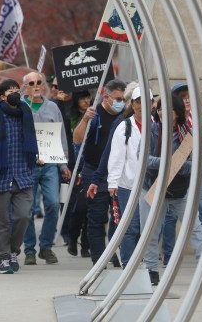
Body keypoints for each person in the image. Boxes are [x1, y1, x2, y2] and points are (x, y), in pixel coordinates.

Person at [140, 94, 202, 285]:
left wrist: (178, 164)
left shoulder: (188, 133)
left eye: (167, 109)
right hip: (153, 188)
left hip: (179, 190)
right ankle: (151, 271)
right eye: (159, 109)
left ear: (177, 112)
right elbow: (143, 159)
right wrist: (167, 162)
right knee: (150, 231)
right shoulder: (152, 131)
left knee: (195, 228)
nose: (161, 113)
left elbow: (197, 162)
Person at [0, 79, 38, 274]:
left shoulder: (26, 115)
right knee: (0, 222)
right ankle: (3, 258)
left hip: (23, 175)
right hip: (0, 177)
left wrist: (31, 166)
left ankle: (13, 250)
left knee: (23, 216)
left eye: (16, 90)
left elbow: (32, 143)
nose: (15, 93)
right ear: (3, 96)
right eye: (10, 91)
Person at [22, 72, 71, 266]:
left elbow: (61, 136)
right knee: (27, 209)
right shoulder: (21, 107)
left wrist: (63, 163)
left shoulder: (53, 107)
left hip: (50, 164)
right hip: (27, 165)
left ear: (44, 85)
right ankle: (29, 249)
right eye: (31, 83)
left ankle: (46, 247)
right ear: (25, 86)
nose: (35, 86)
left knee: (52, 204)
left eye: (39, 82)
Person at [78, 79, 127, 265]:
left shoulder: (124, 117)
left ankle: (113, 253)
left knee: (118, 218)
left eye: (123, 99)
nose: (121, 102)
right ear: (106, 98)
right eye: (118, 98)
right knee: (96, 217)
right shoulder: (94, 114)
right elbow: (77, 139)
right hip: (95, 174)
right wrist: (85, 119)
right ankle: (98, 259)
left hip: (118, 174)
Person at [106, 86, 150, 268]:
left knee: (147, 228)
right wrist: (112, 183)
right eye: (138, 102)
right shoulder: (125, 127)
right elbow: (116, 157)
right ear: (132, 104)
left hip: (150, 186)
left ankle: (145, 264)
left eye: (145, 102)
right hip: (127, 186)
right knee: (129, 228)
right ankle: (127, 265)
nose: (141, 106)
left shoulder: (156, 124)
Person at [65, 91, 92, 257]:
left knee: (91, 209)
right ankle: (73, 237)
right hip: (76, 166)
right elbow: (69, 141)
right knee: (78, 208)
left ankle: (86, 244)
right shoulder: (71, 118)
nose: (86, 101)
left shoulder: (96, 116)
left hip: (91, 165)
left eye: (88, 97)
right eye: (82, 98)